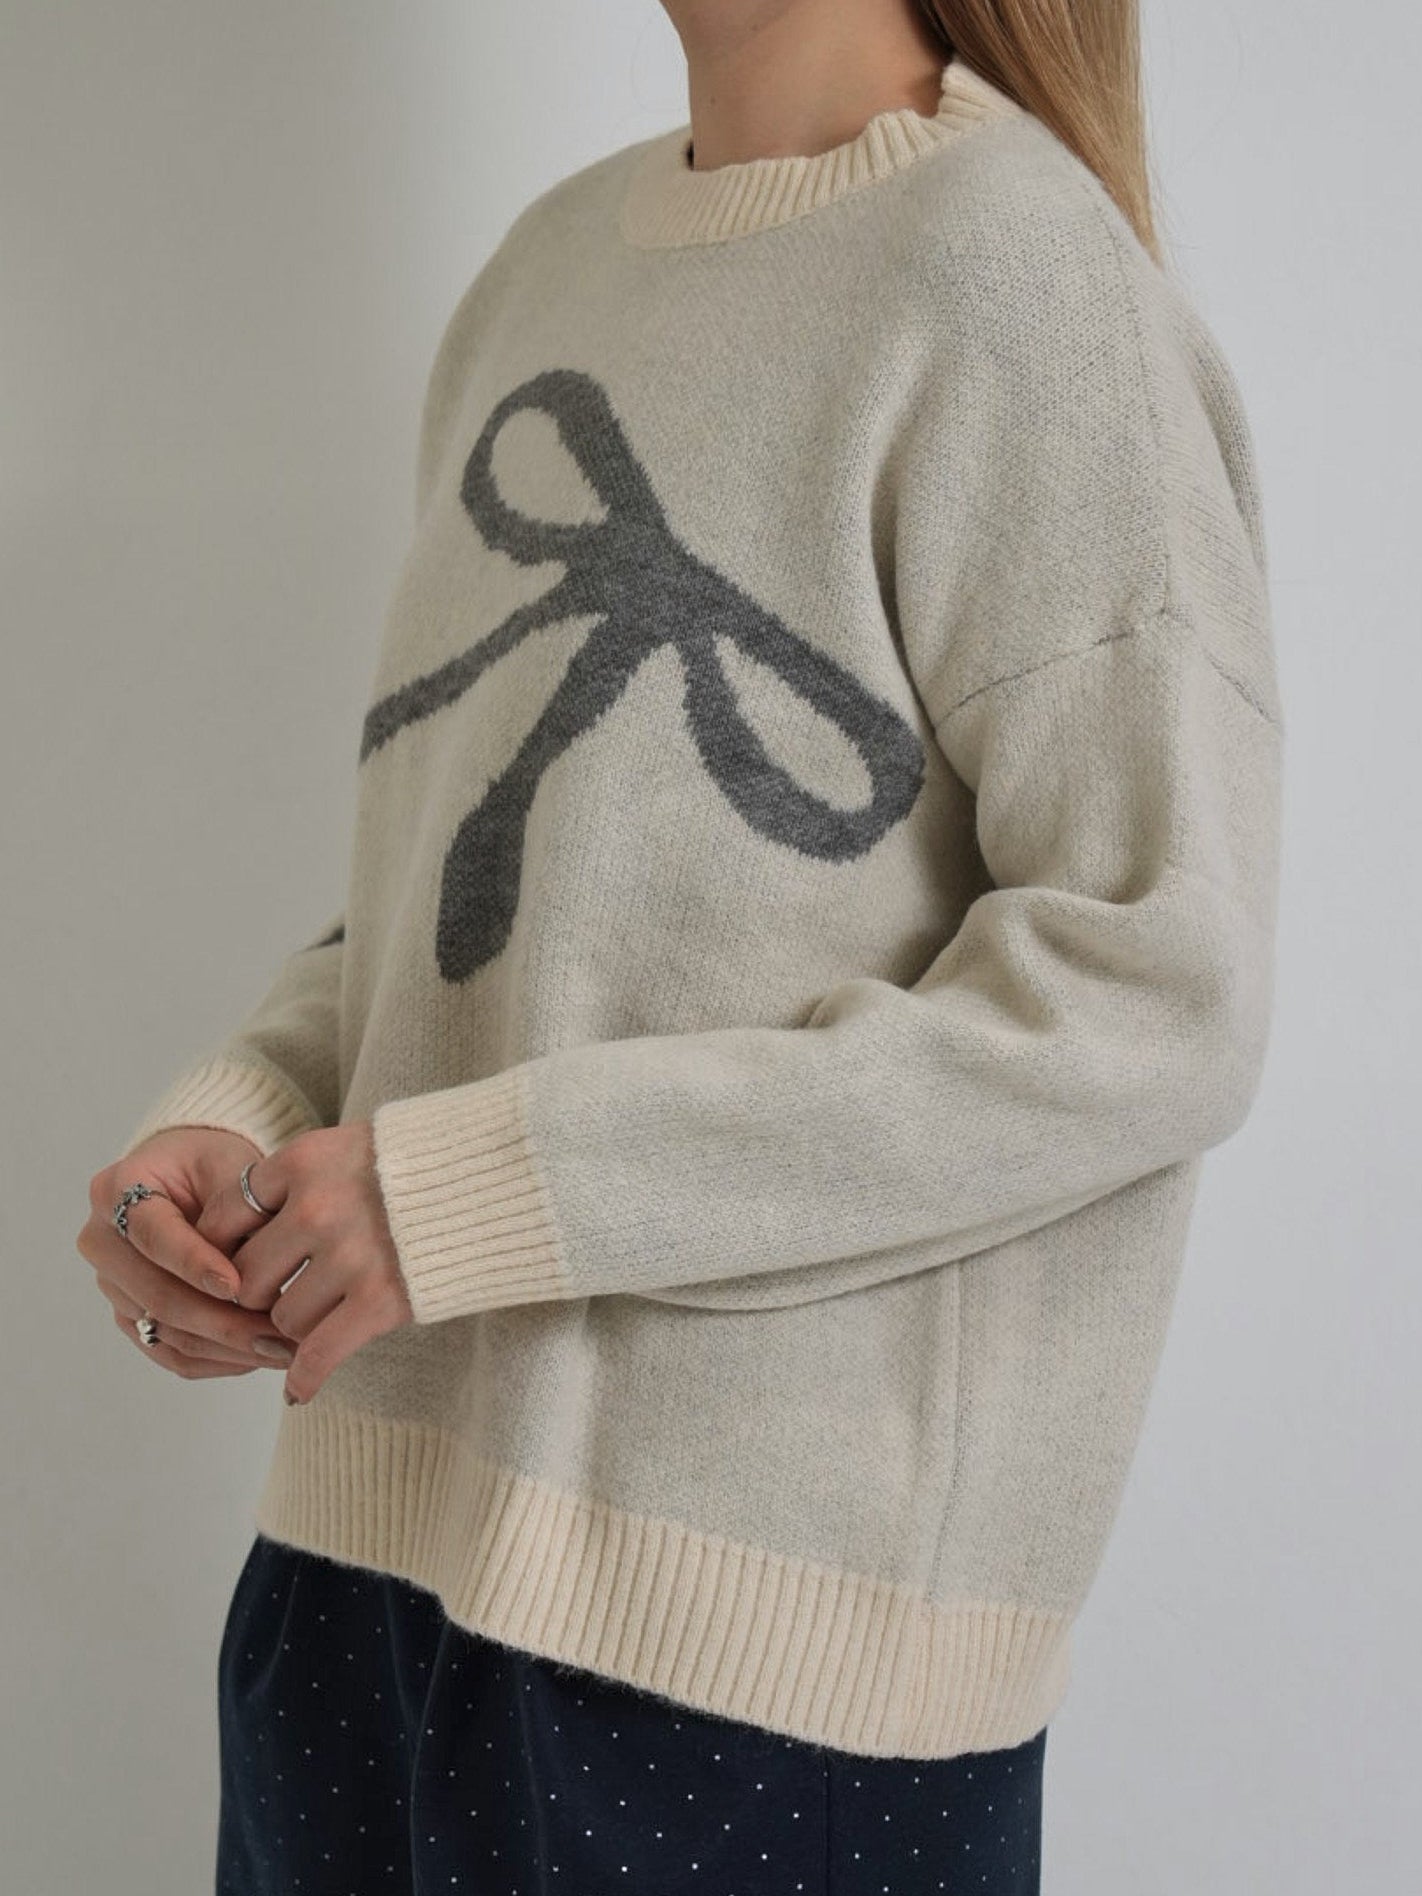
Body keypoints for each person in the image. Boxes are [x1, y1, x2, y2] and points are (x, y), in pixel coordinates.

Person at [76, 1, 1285, 1890]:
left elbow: (1155, 993)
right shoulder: (546, 270)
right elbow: (461, 906)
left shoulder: (1020, 283)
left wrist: (471, 1196)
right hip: (355, 1571)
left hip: (742, 1670)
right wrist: (244, 1127)